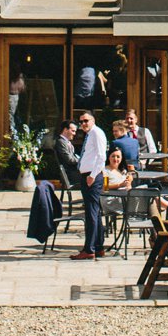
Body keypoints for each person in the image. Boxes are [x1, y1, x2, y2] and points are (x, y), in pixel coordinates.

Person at [70, 110, 107, 260]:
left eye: (86, 121)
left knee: (91, 212)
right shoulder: (90, 134)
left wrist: (92, 176)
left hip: (93, 176)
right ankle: (97, 246)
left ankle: (89, 248)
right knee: (94, 213)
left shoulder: (96, 133)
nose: (83, 124)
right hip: (88, 175)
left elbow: (101, 156)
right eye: (81, 122)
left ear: (93, 120)